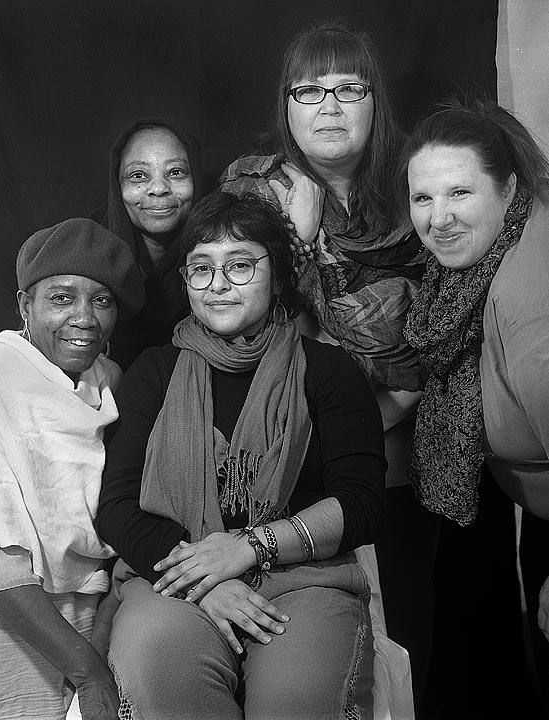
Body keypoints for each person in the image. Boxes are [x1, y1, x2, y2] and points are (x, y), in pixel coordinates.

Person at [96, 191, 388, 720]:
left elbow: (362, 504)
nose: (219, 284)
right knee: (158, 666)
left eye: (240, 265)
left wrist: (250, 547)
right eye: (201, 268)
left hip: (303, 577)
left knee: (296, 697)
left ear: (277, 277)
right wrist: (204, 579)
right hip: (174, 579)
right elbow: (117, 507)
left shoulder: (328, 371)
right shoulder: (154, 372)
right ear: (185, 282)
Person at [219, 19, 437, 706]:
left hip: (412, 463)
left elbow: (438, 338)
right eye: (309, 90)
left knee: (419, 647)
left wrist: (381, 408)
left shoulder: (419, 192)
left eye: (349, 88)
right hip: (295, 470)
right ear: (286, 106)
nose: (330, 106)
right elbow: (246, 331)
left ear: (376, 102)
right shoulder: (251, 191)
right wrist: (299, 236)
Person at [401, 98, 549, 718]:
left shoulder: (528, 304)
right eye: (422, 198)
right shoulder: (491, 254)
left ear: (508, 187)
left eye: (459, 192)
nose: (438, 218)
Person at [0, 217, 144, 719]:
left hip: (93, 609)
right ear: (25, 306)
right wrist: (89, 671)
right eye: (61, 298)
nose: (84, 318)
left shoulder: (109, 380)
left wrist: (97, 643)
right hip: (14, 614)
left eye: (101, 301)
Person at [92, 118, 202, 369]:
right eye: (138, 175)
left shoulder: (221, 248)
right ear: (117, 185)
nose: (159, 188)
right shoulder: (88, 248)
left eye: (176, 172)